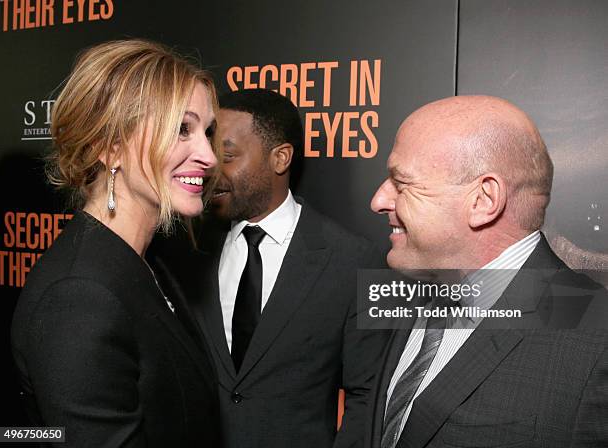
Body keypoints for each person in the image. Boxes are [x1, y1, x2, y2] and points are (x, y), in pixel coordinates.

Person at [11, 39, 220, 447]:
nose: (209, 156)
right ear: (110, 147)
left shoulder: (147, 261)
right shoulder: (80, 297)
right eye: (182, 129)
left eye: (207, 131)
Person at [151, 88, 388, 448]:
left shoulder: (353, 261)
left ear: (280, 158)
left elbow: (367, 396)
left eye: (227, 155)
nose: (210, 170)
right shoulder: (183, 248)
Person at [367, 95, 608, 447]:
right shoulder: (417, 290)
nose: (378, 200)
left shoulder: (597, 339)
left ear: (483, 201)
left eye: (402, 183)